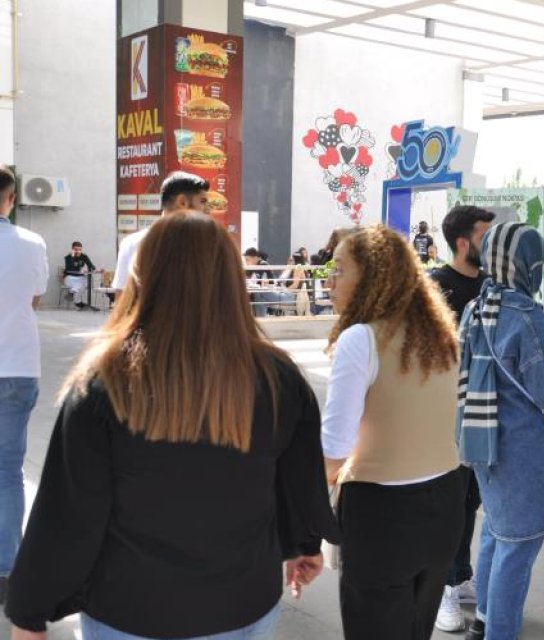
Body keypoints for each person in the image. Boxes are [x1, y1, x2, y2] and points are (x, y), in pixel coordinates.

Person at [5, 212, 339, 639]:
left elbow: (68, 513)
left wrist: (31, 611)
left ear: (145, 275)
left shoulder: (107, 380)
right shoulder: (278, 376)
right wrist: (305, 544)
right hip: (244, 603)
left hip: (131, 609)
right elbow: (297, 481)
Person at [322, 225, 467, 639]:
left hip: (381, 515)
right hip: (444, 504)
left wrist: (295, 517)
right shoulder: (441, 335)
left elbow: (335, 448)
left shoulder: (360, 340)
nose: (330, 281)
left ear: (372, 277)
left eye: (339, 269)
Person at [456, 222, 544, 640]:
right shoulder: (526, 315)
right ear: (530, 264)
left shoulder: (476, 307)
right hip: (523, 450)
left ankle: (485, 622)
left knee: (496, 531)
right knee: (516, 551)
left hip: (482, 444)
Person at [428, 204, 495, 633]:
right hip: (443, 413)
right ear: (462, 242)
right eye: (484, 236)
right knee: (450, 502)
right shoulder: (434, 286)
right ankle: (444, 586)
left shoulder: (492, 285)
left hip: (484, 413)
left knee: (471, 500)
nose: (490, 245)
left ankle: (460, 573)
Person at [0, 166, 46, 604]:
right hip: (16, 364)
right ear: (11, 199)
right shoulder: (32, 242)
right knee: (7, 472)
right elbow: (35, 296)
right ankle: (5, 569)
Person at [111, 171, 208, 293]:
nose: (207, 209)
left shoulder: (131, 243)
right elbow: (122, 298)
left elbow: (121, 302)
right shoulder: (134, 244)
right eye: (202, 202)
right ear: (182, 202)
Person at [63, 241, 98, 310]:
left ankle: (72, 293)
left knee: (84, 283)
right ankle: (77, 301)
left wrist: (95, 269)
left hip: (80, 277)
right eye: (76, 249)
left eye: (79, 249)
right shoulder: (68, 257)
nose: (78, 251)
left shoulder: (84, 256)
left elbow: (90, 265)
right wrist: (72, 256)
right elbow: (70, 267)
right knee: (78, 286)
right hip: (70, 277)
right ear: (72, 249)